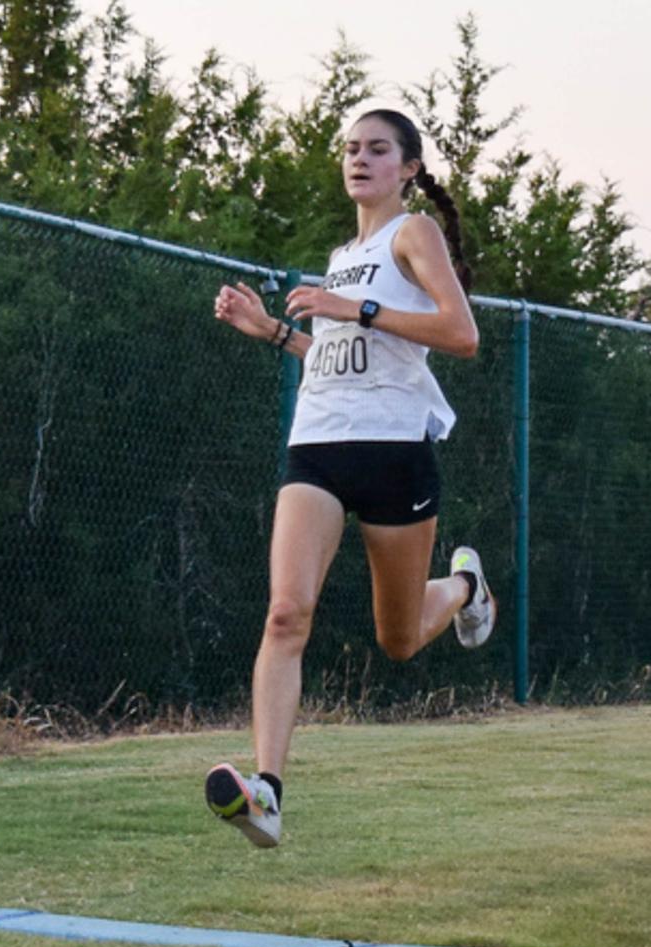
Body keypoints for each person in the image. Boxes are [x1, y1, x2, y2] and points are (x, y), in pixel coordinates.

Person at [202, 108, 491, 848]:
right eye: (350, 150)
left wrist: (354, 305)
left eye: (377, 149)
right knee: (284, 614)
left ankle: (463, 588)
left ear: (409, 167)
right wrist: (268, 329)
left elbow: (460, 337)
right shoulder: (341, 252)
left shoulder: (411, 234)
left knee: (396, 640)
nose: (359, 160)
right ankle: (266, 793)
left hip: (394, 453)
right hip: (317, 448)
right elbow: (340, 358)